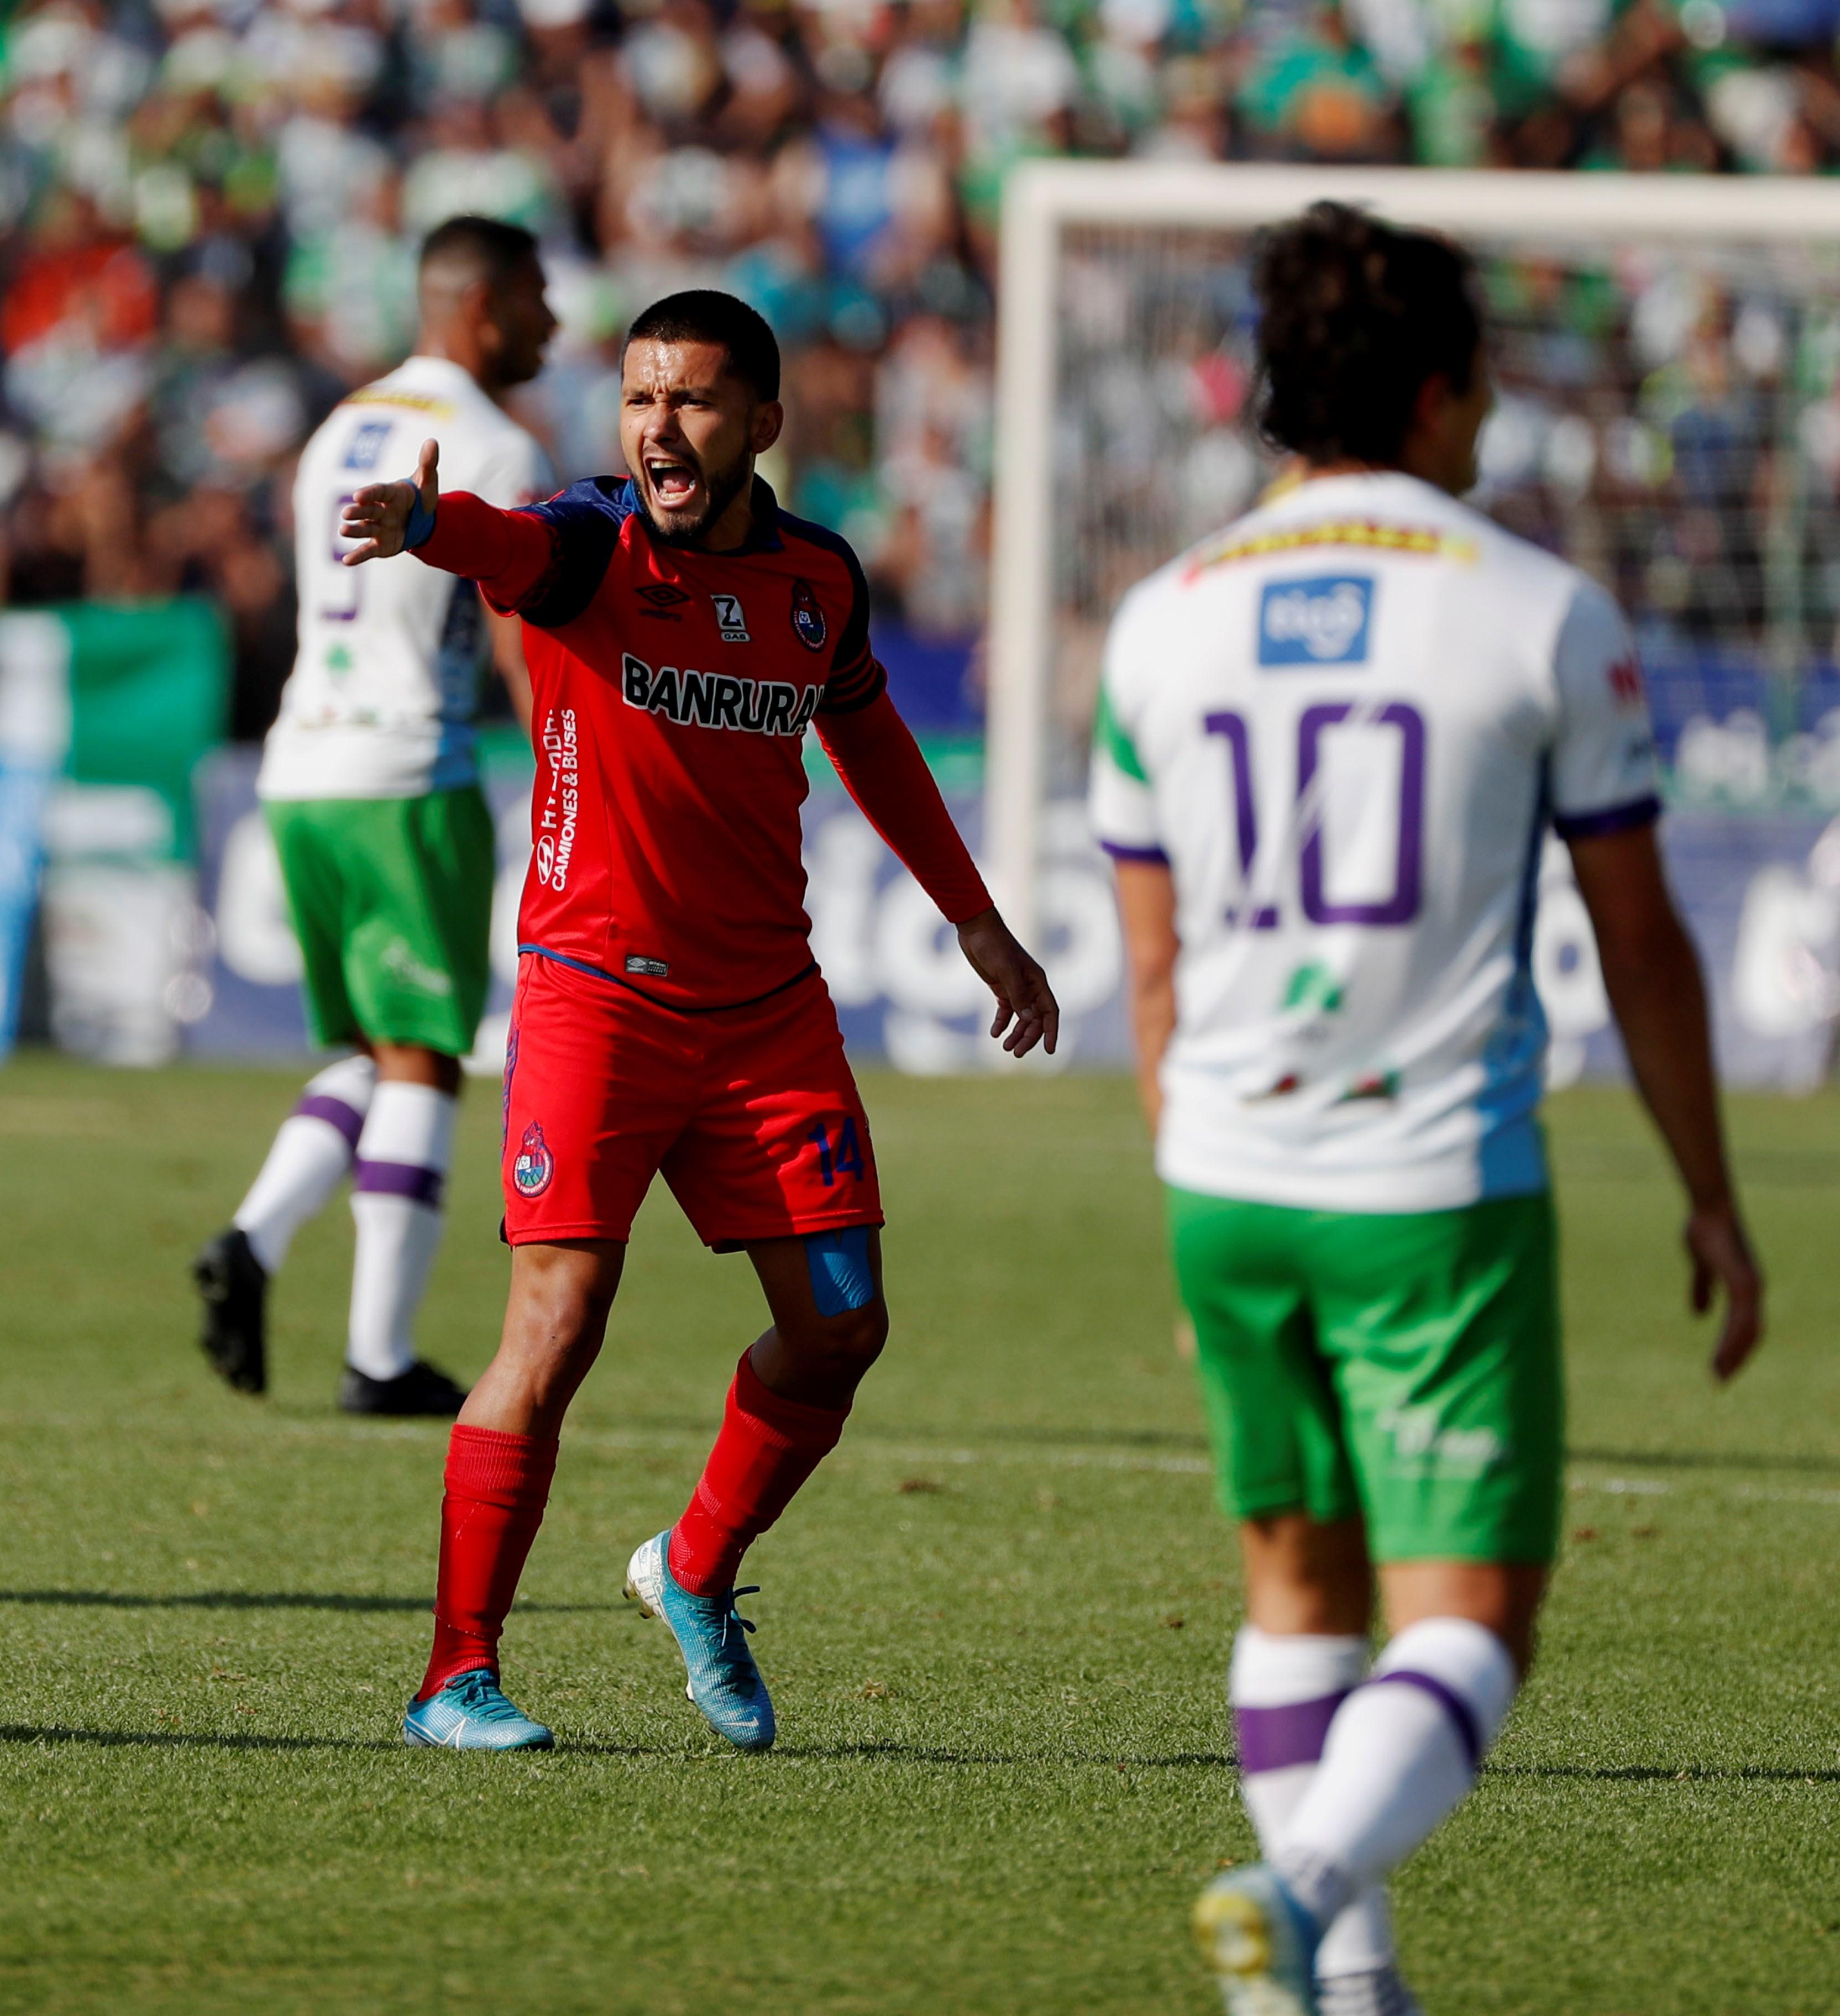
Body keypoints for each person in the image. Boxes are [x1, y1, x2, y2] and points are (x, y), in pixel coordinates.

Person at [1089, 203, 1766, 2015]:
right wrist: (1710, 1193)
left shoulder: (1160, 622)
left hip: (1223, 1176)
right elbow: (1641, 938)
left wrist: (1182, 1188)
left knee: (1297, 1590)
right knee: (1468, 1618)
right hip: (1431, 1184)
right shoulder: (1537, 610)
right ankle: (1304, 1884)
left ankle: (1325, 1987)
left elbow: (1147, 973)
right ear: (1448, 388)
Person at [336, 288, 1061, 1752]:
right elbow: (511, 544)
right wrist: (430, 527)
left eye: (695, 401)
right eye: (642, 397)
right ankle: (452, 1679)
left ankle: (694, 1569)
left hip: (766, 1012)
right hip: (593, 997)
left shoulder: (818, 581)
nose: (661, 427)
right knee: (558, 1327)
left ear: (763, 426)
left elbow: (873, 739)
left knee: (843, 1327)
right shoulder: (591, 544)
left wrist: (977, 921)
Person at [190, 216, 559, 1418]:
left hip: (299, 768)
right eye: (540, 300)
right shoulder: (492, 442)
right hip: (408, 770)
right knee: (427, 1055)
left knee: (374, 1048)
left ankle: (253, 1238)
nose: (553, 326)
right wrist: (562, 754)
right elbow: (513, 617)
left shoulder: (340, 424)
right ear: (487, 304)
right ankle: (380, 1357)